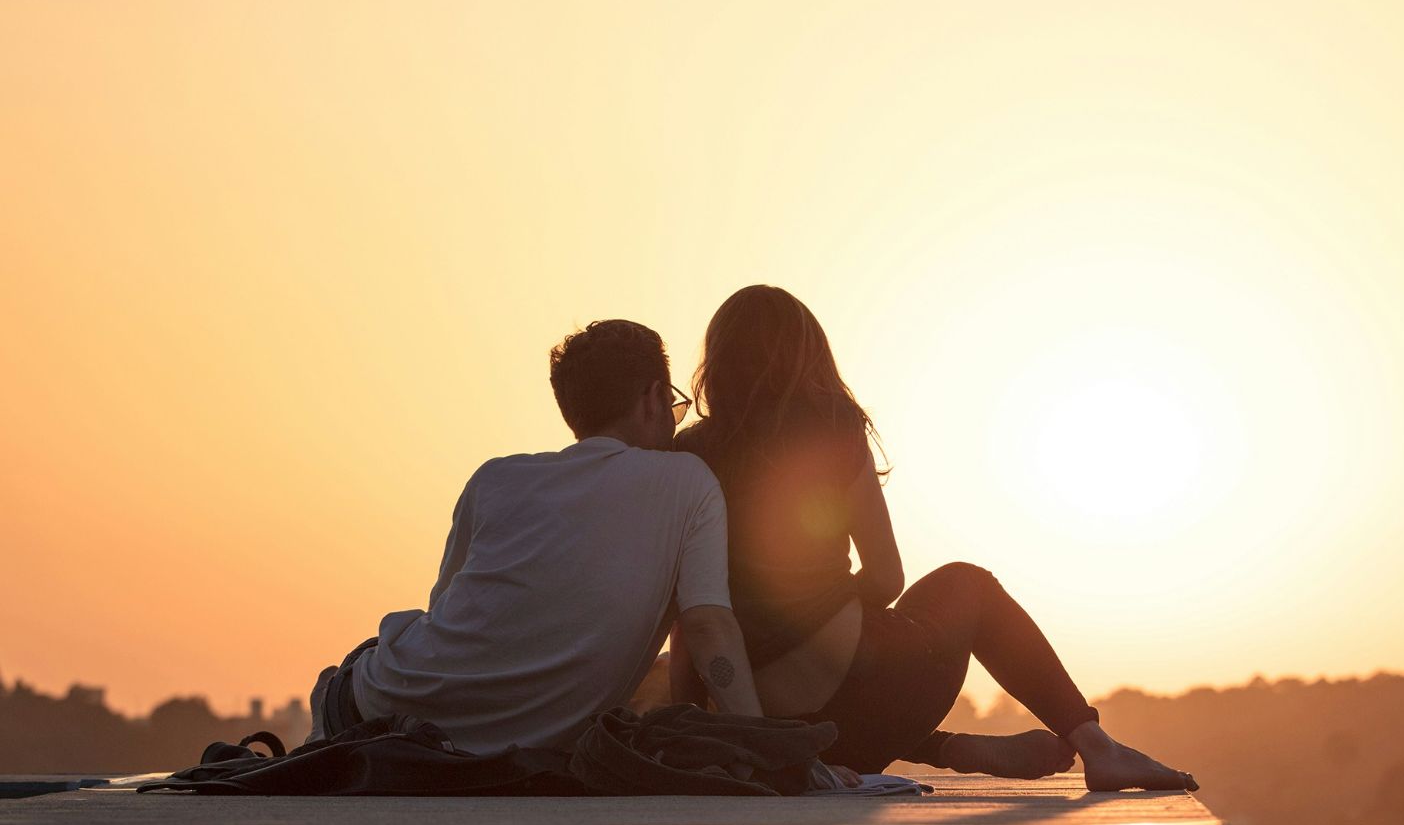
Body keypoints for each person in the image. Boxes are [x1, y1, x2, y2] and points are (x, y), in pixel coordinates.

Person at [673, 285, 1197, 791]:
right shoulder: (832, 427)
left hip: (772, 724)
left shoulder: (689, 455)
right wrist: (826, 611)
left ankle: (941, 748)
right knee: (967, 584)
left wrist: (703, 721)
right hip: (866, 698)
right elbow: (886, 576)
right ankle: (1097, 748)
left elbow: (688, 614)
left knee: (832, 684)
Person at [307, 318, 851, 787]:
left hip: (380, 709)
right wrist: (765, 750)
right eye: (675, 406)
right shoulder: (688, 481)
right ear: (655, 398)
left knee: (371, 660)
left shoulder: (496, 479)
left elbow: (453, 616)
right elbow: (708, 628)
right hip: (505, 746)